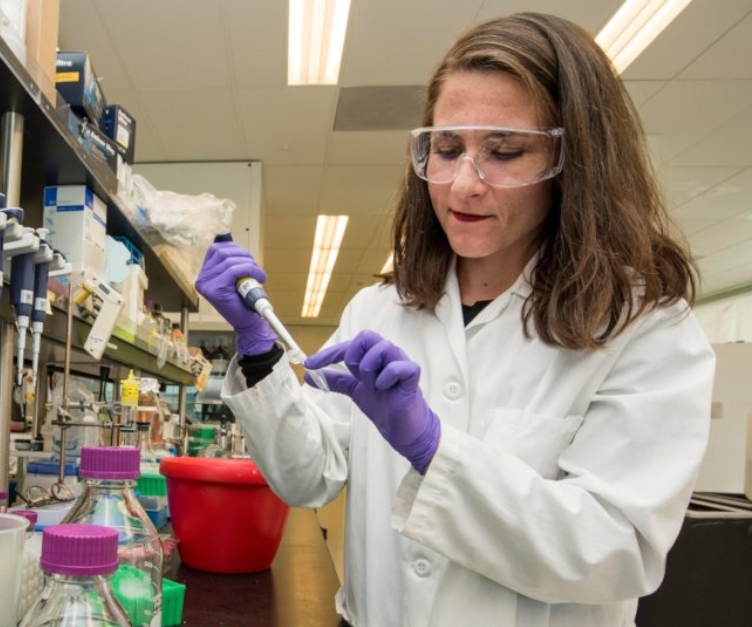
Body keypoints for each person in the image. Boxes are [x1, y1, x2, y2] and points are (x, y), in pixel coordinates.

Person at [195, 12, 714, 627]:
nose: (463, 185)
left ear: (576, 160)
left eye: (505, 152)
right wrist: (257, 349)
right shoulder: (379, 310)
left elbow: (616, 548)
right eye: (446, 149)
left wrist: (432, 448)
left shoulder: (643, 327)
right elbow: (309, 477)